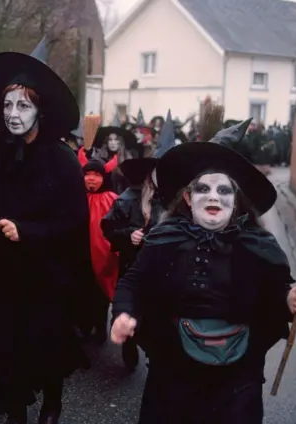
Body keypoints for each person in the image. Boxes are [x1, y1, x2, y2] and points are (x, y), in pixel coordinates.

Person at [110, 138, 296, 423]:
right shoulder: (164, 238)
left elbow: (279, 291)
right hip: (173, 373)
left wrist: (291, 299)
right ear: (188, 197)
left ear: (236, 200)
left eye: (224, 190)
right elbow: (133, 283)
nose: (213, 197)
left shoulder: (259, 243)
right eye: (203, 189)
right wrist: (124, 313)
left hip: (237, 381)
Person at [0, 37, 90, 424]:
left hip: (47, 274)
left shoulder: (62, 161)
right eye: (8, 104)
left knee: (45, 343)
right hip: (4, 273)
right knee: (7, 344)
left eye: (23, 105)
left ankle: (52, 403)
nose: (13, 113)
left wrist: (27, 231)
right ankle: (15, 409)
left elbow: (74, 221)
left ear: (40, 111)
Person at [100, 110, 176, 370]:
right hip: (132, 266)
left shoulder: (174, 203)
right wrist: (127, 235)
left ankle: (152, 350)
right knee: (127, 308)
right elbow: (107, 226)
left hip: (162, 271)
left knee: (157, 316)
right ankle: (129, 346)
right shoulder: (128, 199)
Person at [82, 158, 119, 344]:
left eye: (96, 175)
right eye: (87, 174)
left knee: (101, 294)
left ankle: (100, 327)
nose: (91, 179)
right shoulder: (78, 197)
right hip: (82, 254)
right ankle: (86, 325)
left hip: (105, 257)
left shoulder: (112, 199)